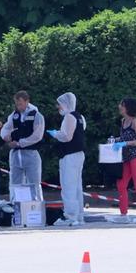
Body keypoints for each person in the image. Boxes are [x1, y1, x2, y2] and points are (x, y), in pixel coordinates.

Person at [48, 92, 86, 227]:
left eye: (59, 104)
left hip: (69, 155)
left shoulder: (69, 117)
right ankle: (79, 215)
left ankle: (70, 216)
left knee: (68, 186)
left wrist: (55, 134)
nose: (58, 107)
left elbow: (67, 136)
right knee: (76, 186)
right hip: (79, 154)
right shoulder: (80, 117)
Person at [0, 91, 45, 200]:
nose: (18, 106)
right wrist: (6, 136)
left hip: (31, 153)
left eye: (20, 103)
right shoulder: (14, 115)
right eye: (16, 103)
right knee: (15, 183)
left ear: (27, 101)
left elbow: (37, 136)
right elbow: (5, 128)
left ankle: (36, 208)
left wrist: (21, 143)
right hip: (16, 154)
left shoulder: (36, 116)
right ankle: (15, 207)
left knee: (34, 183)